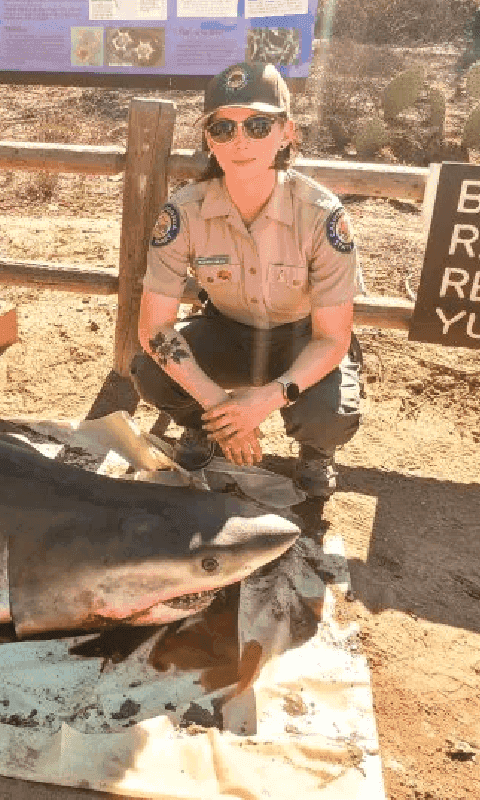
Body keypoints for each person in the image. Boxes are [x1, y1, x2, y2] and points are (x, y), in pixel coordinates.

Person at [130, 61, 364, 499]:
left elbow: (332, 339)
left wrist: (266, 400)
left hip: (302, 338)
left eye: (258, 125)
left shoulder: (321, 216)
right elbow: (154, 328)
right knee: (151, 370)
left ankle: (316, 451)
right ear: (208, 141)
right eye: (223, 129)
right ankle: (202, 428)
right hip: (228, 331)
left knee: (329, 413)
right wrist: (220, 408)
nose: (240, 141)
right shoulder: (183, 214)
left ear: (286, 133)